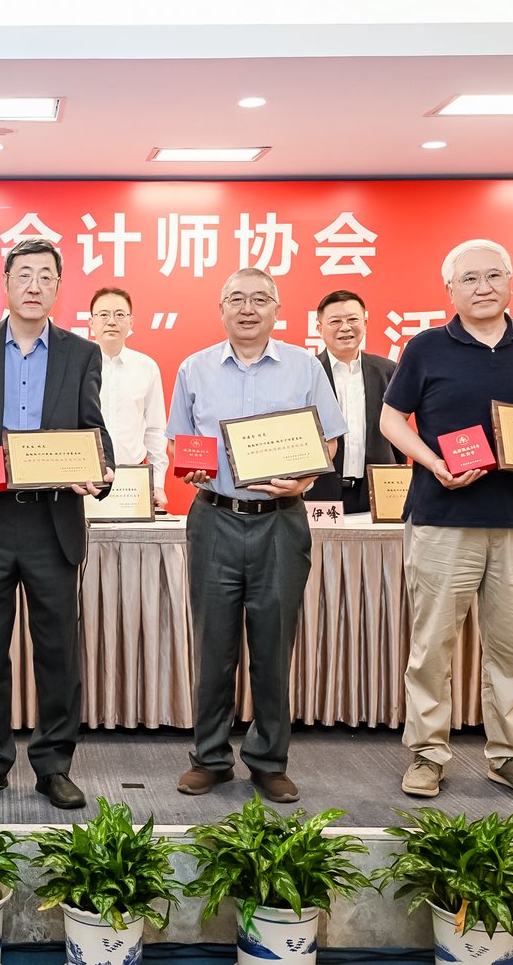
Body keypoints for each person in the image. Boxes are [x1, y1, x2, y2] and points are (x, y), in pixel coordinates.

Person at [379, 239, 513, 805]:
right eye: (469, 279)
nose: (482, 287)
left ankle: (511, 757)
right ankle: (427, 753)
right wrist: (434, 463)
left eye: (493, 275)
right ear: (450, 290)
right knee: (431, 645)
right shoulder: (425, 346)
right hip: (443, 518)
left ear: (511, 281)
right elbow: (392, 420)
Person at [0, 237, 113, 810]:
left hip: (52, 521)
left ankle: (54, 766)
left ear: (58, 287)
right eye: (24, 275)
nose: (34, 285)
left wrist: (101, 470)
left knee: (58, 651)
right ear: (6, 283)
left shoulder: (82, 353)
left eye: (45, 276)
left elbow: (94, 430)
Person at [167, 268, 345, 803]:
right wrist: (190, 466)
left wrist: (304, 479)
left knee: (273, 644)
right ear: (221, 308)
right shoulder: (194, 367)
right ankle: (210, 758)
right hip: (214, 517)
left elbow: (328, 441)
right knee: (213, 645)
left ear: (277, 309)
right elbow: (181, 442)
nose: (248, 309)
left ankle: (269, 761)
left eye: (260, 299)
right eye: (237, 299)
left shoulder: (305, 366)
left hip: (281, 521)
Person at [303, 289, 402, 516]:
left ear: (365, 323)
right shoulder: (306, 374)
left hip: (379, 492)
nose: (345, 327)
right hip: (320, 492)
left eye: (353, 319)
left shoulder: (390, 371)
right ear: (319, 328)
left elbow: (398, 435)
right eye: (335, 321)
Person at [87, 287, 169, 509]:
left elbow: (155, 430)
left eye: (120, 314)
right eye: (103, 314)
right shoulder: (77, 366)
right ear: (91, 322)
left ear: (131, 322)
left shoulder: (146, 367)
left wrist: (158, 484)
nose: (111, 321)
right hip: (88, 481)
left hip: (133, 482)